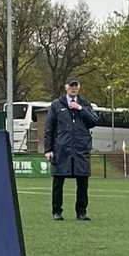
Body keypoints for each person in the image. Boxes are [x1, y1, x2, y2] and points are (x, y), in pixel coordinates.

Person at [44, 77, 99, 221]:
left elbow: (93, 121)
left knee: (83, 182)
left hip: (80, 150)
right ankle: (57, 211)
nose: (73, 88)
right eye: (71, 86)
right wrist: (48, 149)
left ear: (79, 87)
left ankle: (81, 212)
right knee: (58, 181)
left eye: (76, 86)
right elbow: (49, 128)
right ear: (66, 87)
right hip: (61, 149)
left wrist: (80, 109)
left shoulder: (85, 104)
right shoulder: (56, 105)